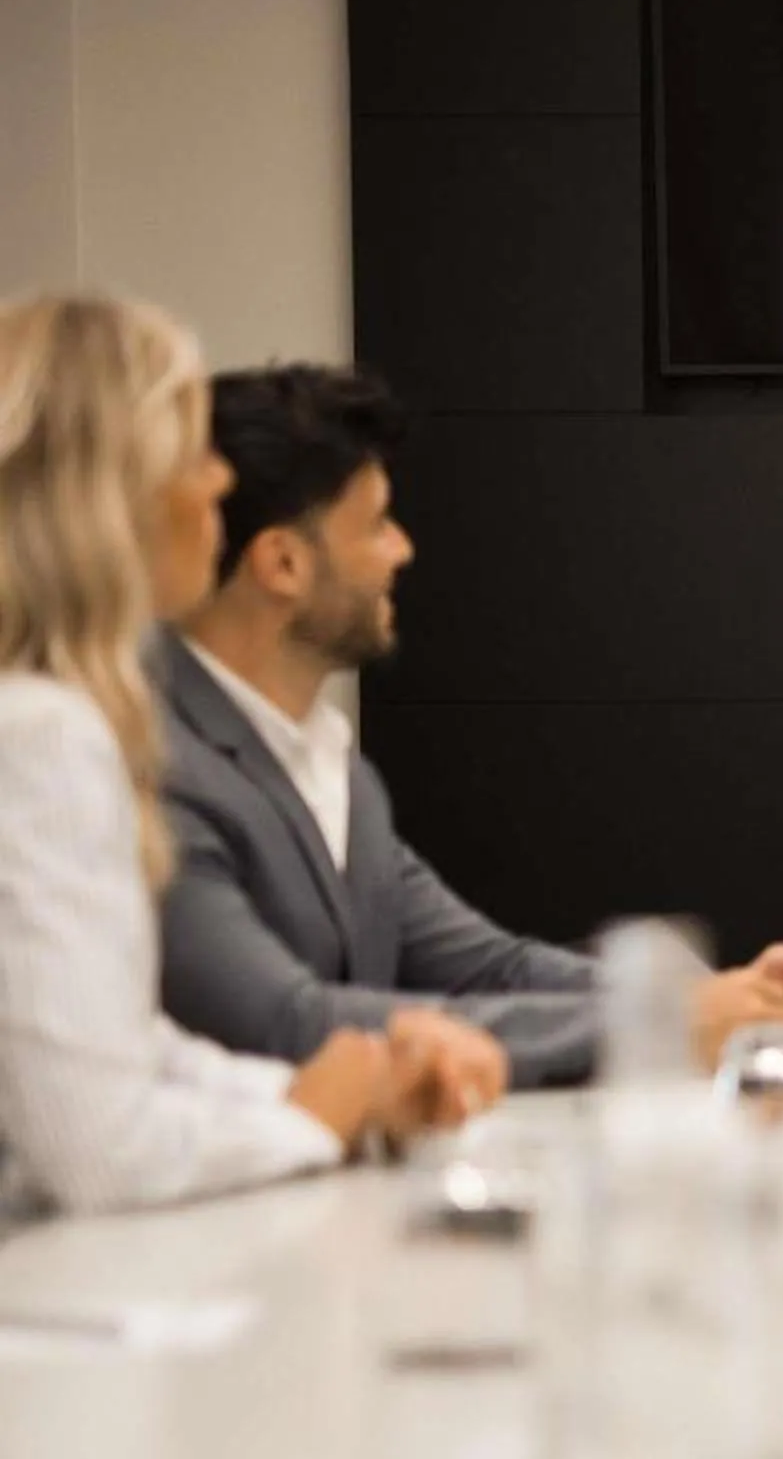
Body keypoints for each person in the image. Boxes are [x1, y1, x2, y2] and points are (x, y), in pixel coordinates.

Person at [156, 362, 783, 1087]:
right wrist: (657, 1026)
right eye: (376, 525)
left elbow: (490, 968)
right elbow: (291, 1026)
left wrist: (709, 997)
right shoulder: (154, 767)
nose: (403, 549)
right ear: (282, 563)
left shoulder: (334, 766)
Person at [0, 295, 501, 1215]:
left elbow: (124, 1048)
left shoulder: (47, 719)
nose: (219, 483)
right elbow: (99, 1141)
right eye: (193, 452)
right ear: (113, 493)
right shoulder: (41, 734)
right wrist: (309, 1118)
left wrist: (354, 1084)